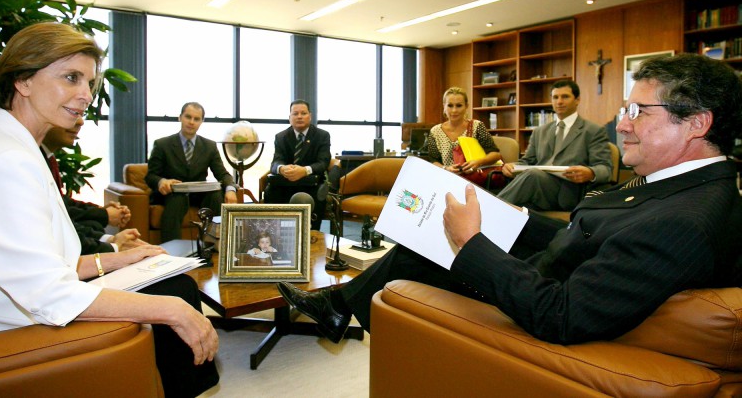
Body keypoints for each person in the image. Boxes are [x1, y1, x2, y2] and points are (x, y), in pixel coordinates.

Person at [277, 53, 742, 346]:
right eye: (624, 110)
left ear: (697, 123)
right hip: (555, 258)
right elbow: (591, 236)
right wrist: (517, 219)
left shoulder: (684, 222)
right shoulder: (686, 184)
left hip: (542, 293)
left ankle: (338, 307)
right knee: (424, 240)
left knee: (430, 252)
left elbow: (562, 315)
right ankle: (339, 306)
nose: (621, 124)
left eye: (638, 112)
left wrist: (475, 243)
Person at [0, 22, 219, 397]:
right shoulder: (5, 160)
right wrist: (169, 310)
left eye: (88, 83)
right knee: (174, 298)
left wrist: (117, 260)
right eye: (71, 78)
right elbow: (46, 293)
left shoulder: (13, 145)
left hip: (14, 305)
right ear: (22, 81)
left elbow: (35, 264)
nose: (85, 95)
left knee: (173, 283)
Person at [497, 80, 613, 211]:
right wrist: (513, 166)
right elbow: (527, 161)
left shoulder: (593, 131)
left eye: (565, 96)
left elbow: (606, 169)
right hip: (539, 189)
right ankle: (489, 215)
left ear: (577, 100)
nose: (559, 102)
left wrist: (591, 173)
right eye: (555, 97)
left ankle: (486, 211)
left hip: (570, 193)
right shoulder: (540, 131)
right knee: (519, 209)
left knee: (532, 176)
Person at [42, 116, 143, 254]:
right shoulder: (28, 160)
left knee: (94, 225)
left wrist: (110, 239)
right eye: (71, 112)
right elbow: (58, 215)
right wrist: (113, 245)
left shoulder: (47, 157)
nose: (80, 122)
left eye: (81, 114)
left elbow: (62, 205)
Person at [145, 102, 238, 243]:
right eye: (188, 117)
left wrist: (231, 190)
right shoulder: (162, 145)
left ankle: (214, 246)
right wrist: (161, 182)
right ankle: (172, 252)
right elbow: (150, 176)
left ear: (201, 121)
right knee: (177, 199)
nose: (191, 122)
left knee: (216, 195)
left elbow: (223, 174)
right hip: (172, 194)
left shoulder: (209, 146)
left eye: (196, 119)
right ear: (180, 117)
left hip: (198, 195)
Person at [264, 100, 331, 230]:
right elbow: (275, 162)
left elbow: (323, 162)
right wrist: (282, 168)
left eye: (303, 113)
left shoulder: (322, 135)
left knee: (319, 195)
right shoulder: (281, 136)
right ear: (290, 118)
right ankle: (274, 233)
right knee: (270, 191)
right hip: (286, 183)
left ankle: (311, 234)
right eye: (295, 113)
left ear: (310, 116)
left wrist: (305, 170)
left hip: (312, 184)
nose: (299, 116)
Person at [427, 87, 502, 185]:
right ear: (444, 106)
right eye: (450, 105)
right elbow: (433, 161)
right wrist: (446, 168)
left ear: (466, 106)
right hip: (446, 180)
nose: (454, 110)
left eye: (459, 105)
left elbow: (496, 155)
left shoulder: (477, 126)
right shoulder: (435, 131)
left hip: (475, 181)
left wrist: (478, 162)